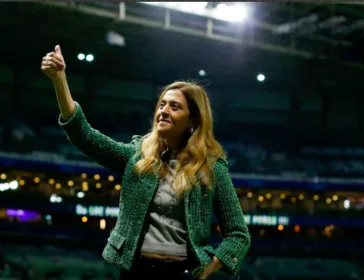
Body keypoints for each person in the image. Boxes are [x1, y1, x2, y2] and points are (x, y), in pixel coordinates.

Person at [41, 45, 251, 279]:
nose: (163, 111)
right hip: (134, 272)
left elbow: (238, 234)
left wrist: (207, 269)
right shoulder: (138, 155)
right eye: (162, 104)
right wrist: (60, 80)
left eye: (174, 106)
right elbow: (85, 136)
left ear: (193, 119)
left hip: (181, 273)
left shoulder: (211, 167)